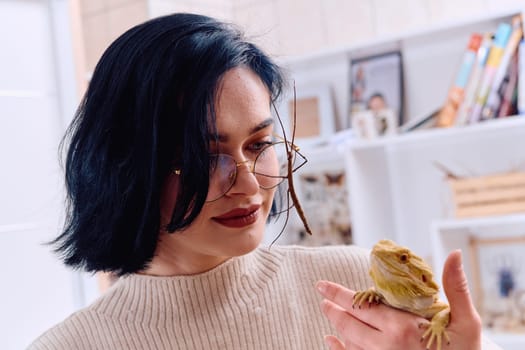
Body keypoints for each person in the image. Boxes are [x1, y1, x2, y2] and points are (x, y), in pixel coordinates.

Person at [29, 13, 499, 350]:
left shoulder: (358, 289)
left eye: (258, 144)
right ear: (127, 169)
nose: (249, 185)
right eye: (204, 156)